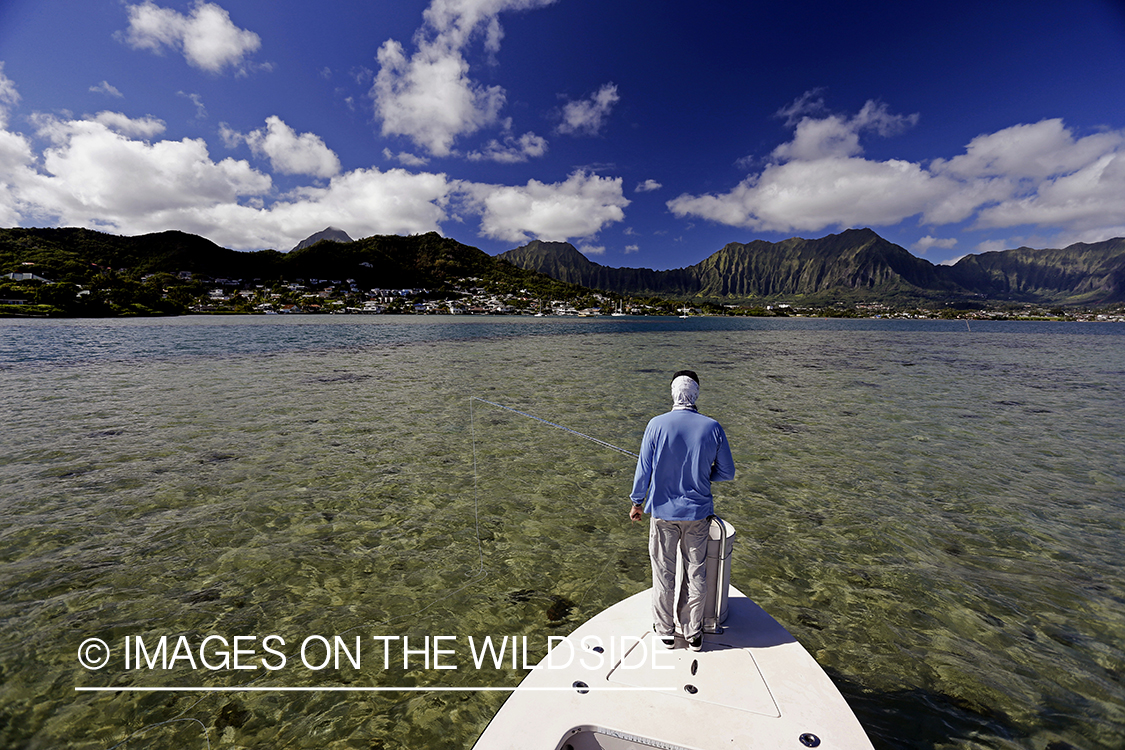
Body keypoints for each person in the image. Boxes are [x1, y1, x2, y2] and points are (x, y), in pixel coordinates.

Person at [629, 370, 735, 651]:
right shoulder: (712, 427)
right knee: (696, 573)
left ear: (673, 393)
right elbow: (727, 472)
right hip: (698, 514)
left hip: (663, 513)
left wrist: (637, 502)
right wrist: (702, 475)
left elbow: (644, 471)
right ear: (696, 394)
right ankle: (692, 633)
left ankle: (665, 630)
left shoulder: (656, 424)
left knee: (664, 572)